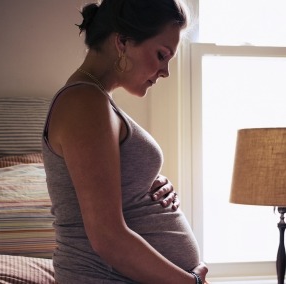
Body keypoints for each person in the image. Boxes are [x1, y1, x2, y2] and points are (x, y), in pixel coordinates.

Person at [42, 0, 209, 283]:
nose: (165, 71)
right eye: (161, 54)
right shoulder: (84, 102)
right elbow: (107, 238)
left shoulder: (95, 101)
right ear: (122, 41)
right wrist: (189, 282)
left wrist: (147, 182)